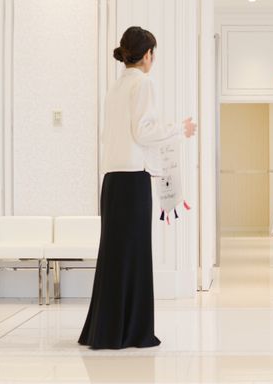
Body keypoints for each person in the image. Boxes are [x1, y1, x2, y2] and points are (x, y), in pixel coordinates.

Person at [79, 26, 196, 349]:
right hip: (133, 179)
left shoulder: (116, 87)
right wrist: (179, 129)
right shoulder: (143, 83)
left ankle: (106, 329)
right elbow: (144, 132)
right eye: (153, 54)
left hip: (113, 180)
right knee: (134, 255)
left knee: (114, 255)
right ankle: (130, 331)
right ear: (147, 55)